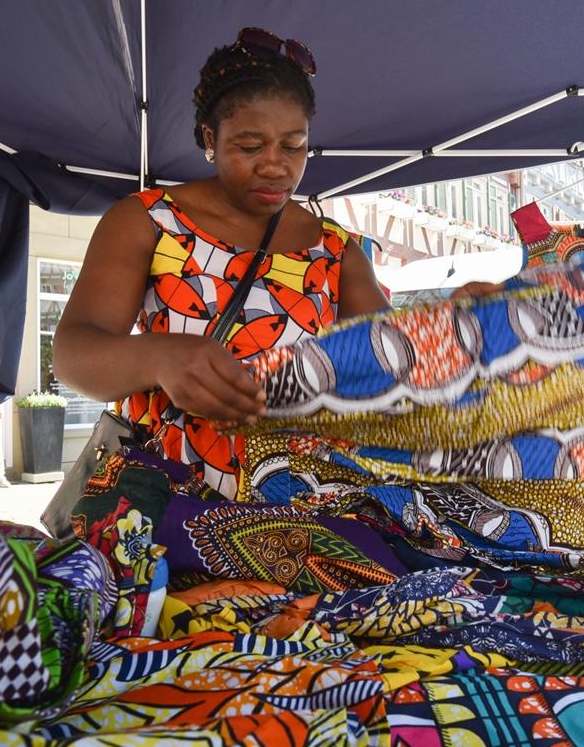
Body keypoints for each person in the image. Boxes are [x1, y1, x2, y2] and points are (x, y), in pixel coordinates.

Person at [52, 27, 390, 499]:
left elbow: (396, 369)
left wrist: (472, 323)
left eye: (293, 146)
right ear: (211, 137)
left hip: (303, 520)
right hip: (162, 515)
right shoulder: (148, 220)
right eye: (250, 147)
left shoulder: (337, 251)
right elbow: (71, 356)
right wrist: (160, 355)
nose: (275, 166)